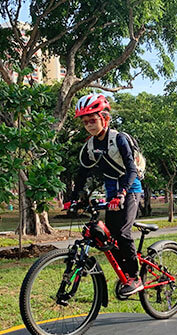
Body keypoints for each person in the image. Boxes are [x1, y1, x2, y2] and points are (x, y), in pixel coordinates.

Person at [67, 93, 144, 296]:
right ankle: (124, 276)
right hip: (112, 190)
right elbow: (81, 174)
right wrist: (74, 198)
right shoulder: (89, 146)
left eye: (93, 120)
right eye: (85, 122)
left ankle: (135, 277)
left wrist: (123, 193)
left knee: (123, 233)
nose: (89, 125)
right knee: (109, 238)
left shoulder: (118, 139)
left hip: (130, 188)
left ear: (105, 118)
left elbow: (132, 169)